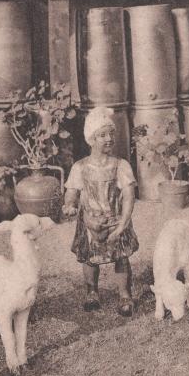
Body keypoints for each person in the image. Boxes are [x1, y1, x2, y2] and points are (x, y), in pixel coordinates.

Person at [62, 107, 139, 316]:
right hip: (90, 222)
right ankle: (92, 291)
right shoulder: (80, 167)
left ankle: (124, 294)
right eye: (102, 135)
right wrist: (70, 205)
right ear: (91, 139)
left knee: (121, 257)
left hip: (115, 220)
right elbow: (72, 192)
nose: (108, 139)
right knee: (89, 258)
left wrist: (123, 222)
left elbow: (129, 194)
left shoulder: (121, 165)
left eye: (111, 133)